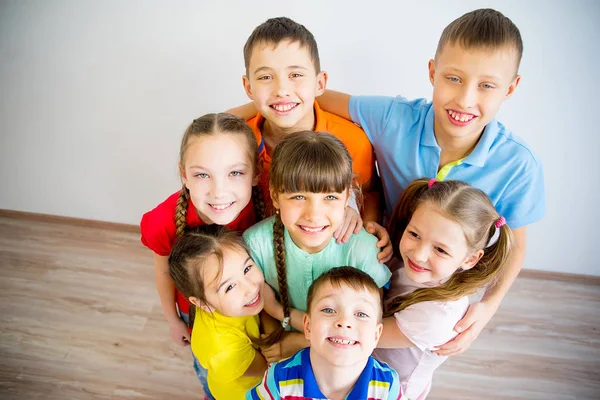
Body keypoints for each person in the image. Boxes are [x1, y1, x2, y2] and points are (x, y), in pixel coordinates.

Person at [316, 8, 544, 356]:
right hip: (387, 256)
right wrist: (218, 121)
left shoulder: (517, 164)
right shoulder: (395, 117)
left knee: (403, 358)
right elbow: (304, 94)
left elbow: (516, 245)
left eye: (486, 86)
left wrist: (488, 308)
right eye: (454, 78)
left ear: (510, 88)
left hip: (440, 283)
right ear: (432, 72)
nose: (466, 100)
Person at [230, 16, 390, 252]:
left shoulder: (351, 140)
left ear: (320, 82)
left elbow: (370, 190)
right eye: (266, 77)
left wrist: (368, 224)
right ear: (248, 87)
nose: (282, 90)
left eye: (295, 75)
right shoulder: (235, 144)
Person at [140, 113, 263, 398]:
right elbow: (163, 272)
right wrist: (173, 319)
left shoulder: (266, 205)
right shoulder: (163, 222)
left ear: (256, 173)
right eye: (202, 174)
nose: (219, 192)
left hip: (254, 300)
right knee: (215, 374)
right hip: (199, 313)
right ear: (184, 175)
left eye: (235, 173)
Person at [243, 131, 391, 362]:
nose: (314, 215)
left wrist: (302, 341)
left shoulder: (363, 250)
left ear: (347, 197)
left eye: (330, 198)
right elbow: (262, 307)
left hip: (344, 357)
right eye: (298, 197)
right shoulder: (255, 244)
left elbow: (371, 320)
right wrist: (278, 345)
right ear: (274, 196)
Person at [374, 178, 513, 399]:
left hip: (391, 390)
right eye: (414, 234)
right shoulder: (409, 263)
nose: (418, 254)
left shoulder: (438, 315)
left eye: (440, 249)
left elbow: (360, 337)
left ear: (469, 260)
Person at [247, 267, 405, 400]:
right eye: (329, 310)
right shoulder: (278, 379)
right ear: (308, 327)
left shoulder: (388, 385)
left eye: (361, 314)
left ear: (376, 335)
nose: (344, 321)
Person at [169, 225, 270, 399]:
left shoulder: (226, 301)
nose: (251, 287)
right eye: (229, 286)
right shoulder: (222, 348)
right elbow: (267, 366)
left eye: (246, 269)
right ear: (201, 303)